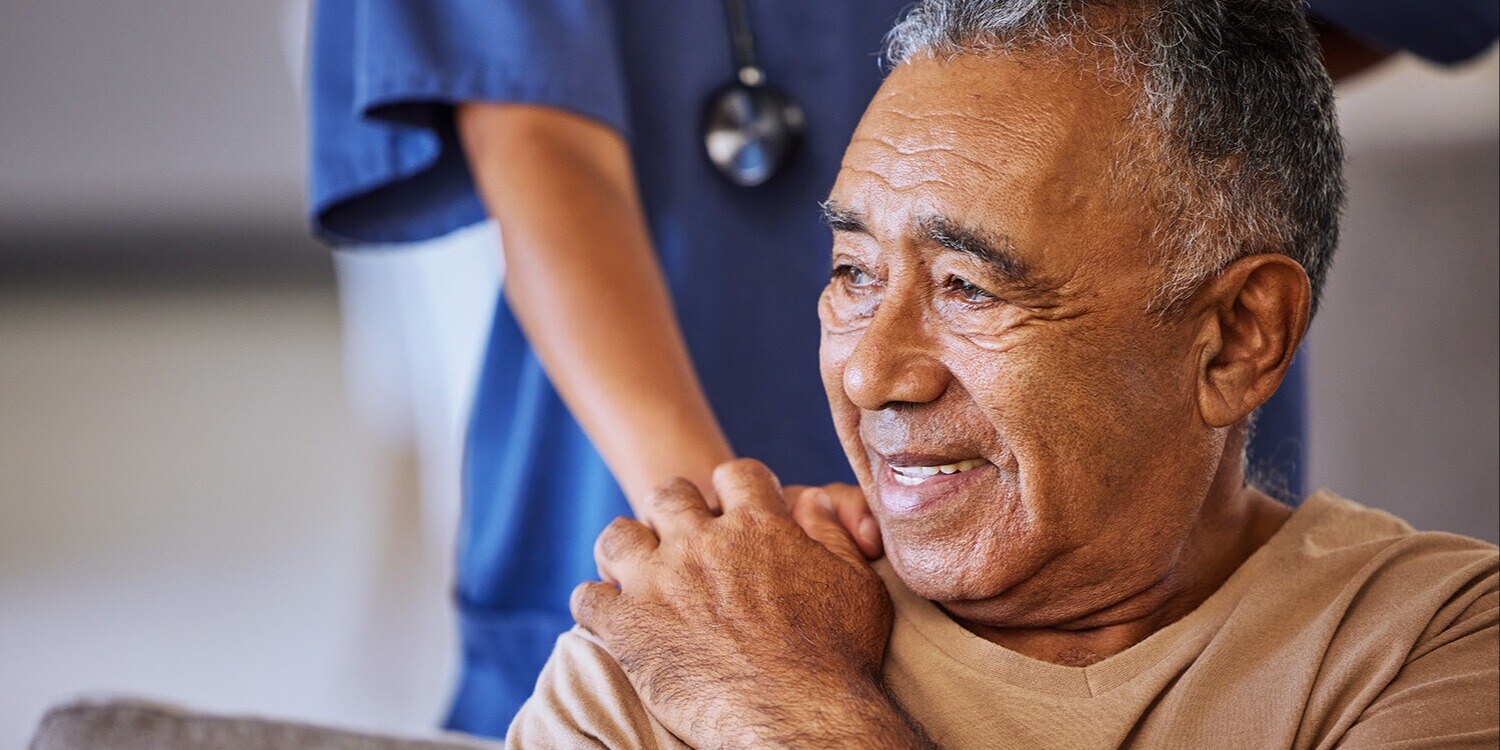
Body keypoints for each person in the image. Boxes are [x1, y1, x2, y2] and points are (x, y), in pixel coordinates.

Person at [304, 0, 1498, 737]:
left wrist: (785, 706)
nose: (874, 372)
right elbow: (535, 147)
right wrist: (726, 541)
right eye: (850, 274)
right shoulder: (654, 666)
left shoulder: (1425, 646)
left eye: (971, 288)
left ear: (1238, 334)